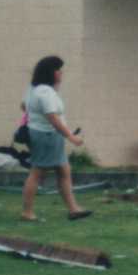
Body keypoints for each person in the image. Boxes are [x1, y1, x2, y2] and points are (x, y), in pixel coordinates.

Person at [20, 55, 92, 221]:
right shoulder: (45, 92)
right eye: (58, 70)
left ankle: (73, 209)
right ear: (50, 73)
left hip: (43, 134)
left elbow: (23, 105)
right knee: (37, 173)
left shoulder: (34, 89)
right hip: (47, 135)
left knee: (63, 170)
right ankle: (27, 212)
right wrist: (71, 137)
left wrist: (34, 116)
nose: (61, 73)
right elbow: (53, 117)